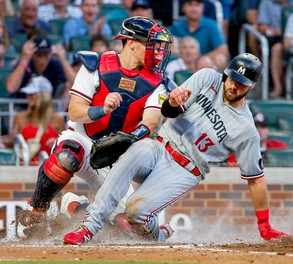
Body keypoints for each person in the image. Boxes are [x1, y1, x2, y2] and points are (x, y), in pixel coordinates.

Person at [63, 53, 291, 244]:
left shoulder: (246, 129)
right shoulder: (207, 78)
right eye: (232, 78)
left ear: (251, 87)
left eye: (241, 83)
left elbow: (256, 179)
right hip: (160, 145)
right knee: (133, 151)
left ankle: (159, 235)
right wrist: (172, 102)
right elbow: (168, 111)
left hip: (185, 169)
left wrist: (264, 225)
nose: (233, 85)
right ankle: (89, 228)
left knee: (135, 213)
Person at [16, 16, 174, 239]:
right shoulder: (96, 65)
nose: (157, 51)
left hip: (116, 157)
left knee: (128, 226)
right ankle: (35, 213)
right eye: (151, 44)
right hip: (83, 139)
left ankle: (75, 206)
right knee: (66, 157)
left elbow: (151, 121)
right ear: (130, 42)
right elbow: (75, 111)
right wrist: (102, 109)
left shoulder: (157, 81)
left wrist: (128, 138)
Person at [12, 76, 66, 165]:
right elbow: (13, 147)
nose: (27, 96)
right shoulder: (20, 117)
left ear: (43, 96)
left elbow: (65, 149)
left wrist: (56, 144)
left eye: (32, 93)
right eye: (28, 94)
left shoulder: (57, 119)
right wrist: (11, 139)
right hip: (24, 169)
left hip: (49, 170)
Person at [169, 0, 229, 71]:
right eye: (190, 4)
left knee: (221, 59)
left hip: (204, 65)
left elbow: (223, 50)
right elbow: (162, 37)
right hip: (181, 64)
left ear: (202, 7)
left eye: (197, 5)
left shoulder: (211, 25)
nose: (194, 9)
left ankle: (215, 81)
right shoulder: (178, 26)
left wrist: (199, 59)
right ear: (184, 8)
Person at [6, 34, 69, 101]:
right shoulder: (24, 64)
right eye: (39, 55)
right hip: (23, 107)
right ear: (32, 54)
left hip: (48, 108)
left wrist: (63, 60)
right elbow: (10, 88)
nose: (42, 60)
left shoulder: (55, 65)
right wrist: (25, 59)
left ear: (50, 54)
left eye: (46, 55)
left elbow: (75, 86)